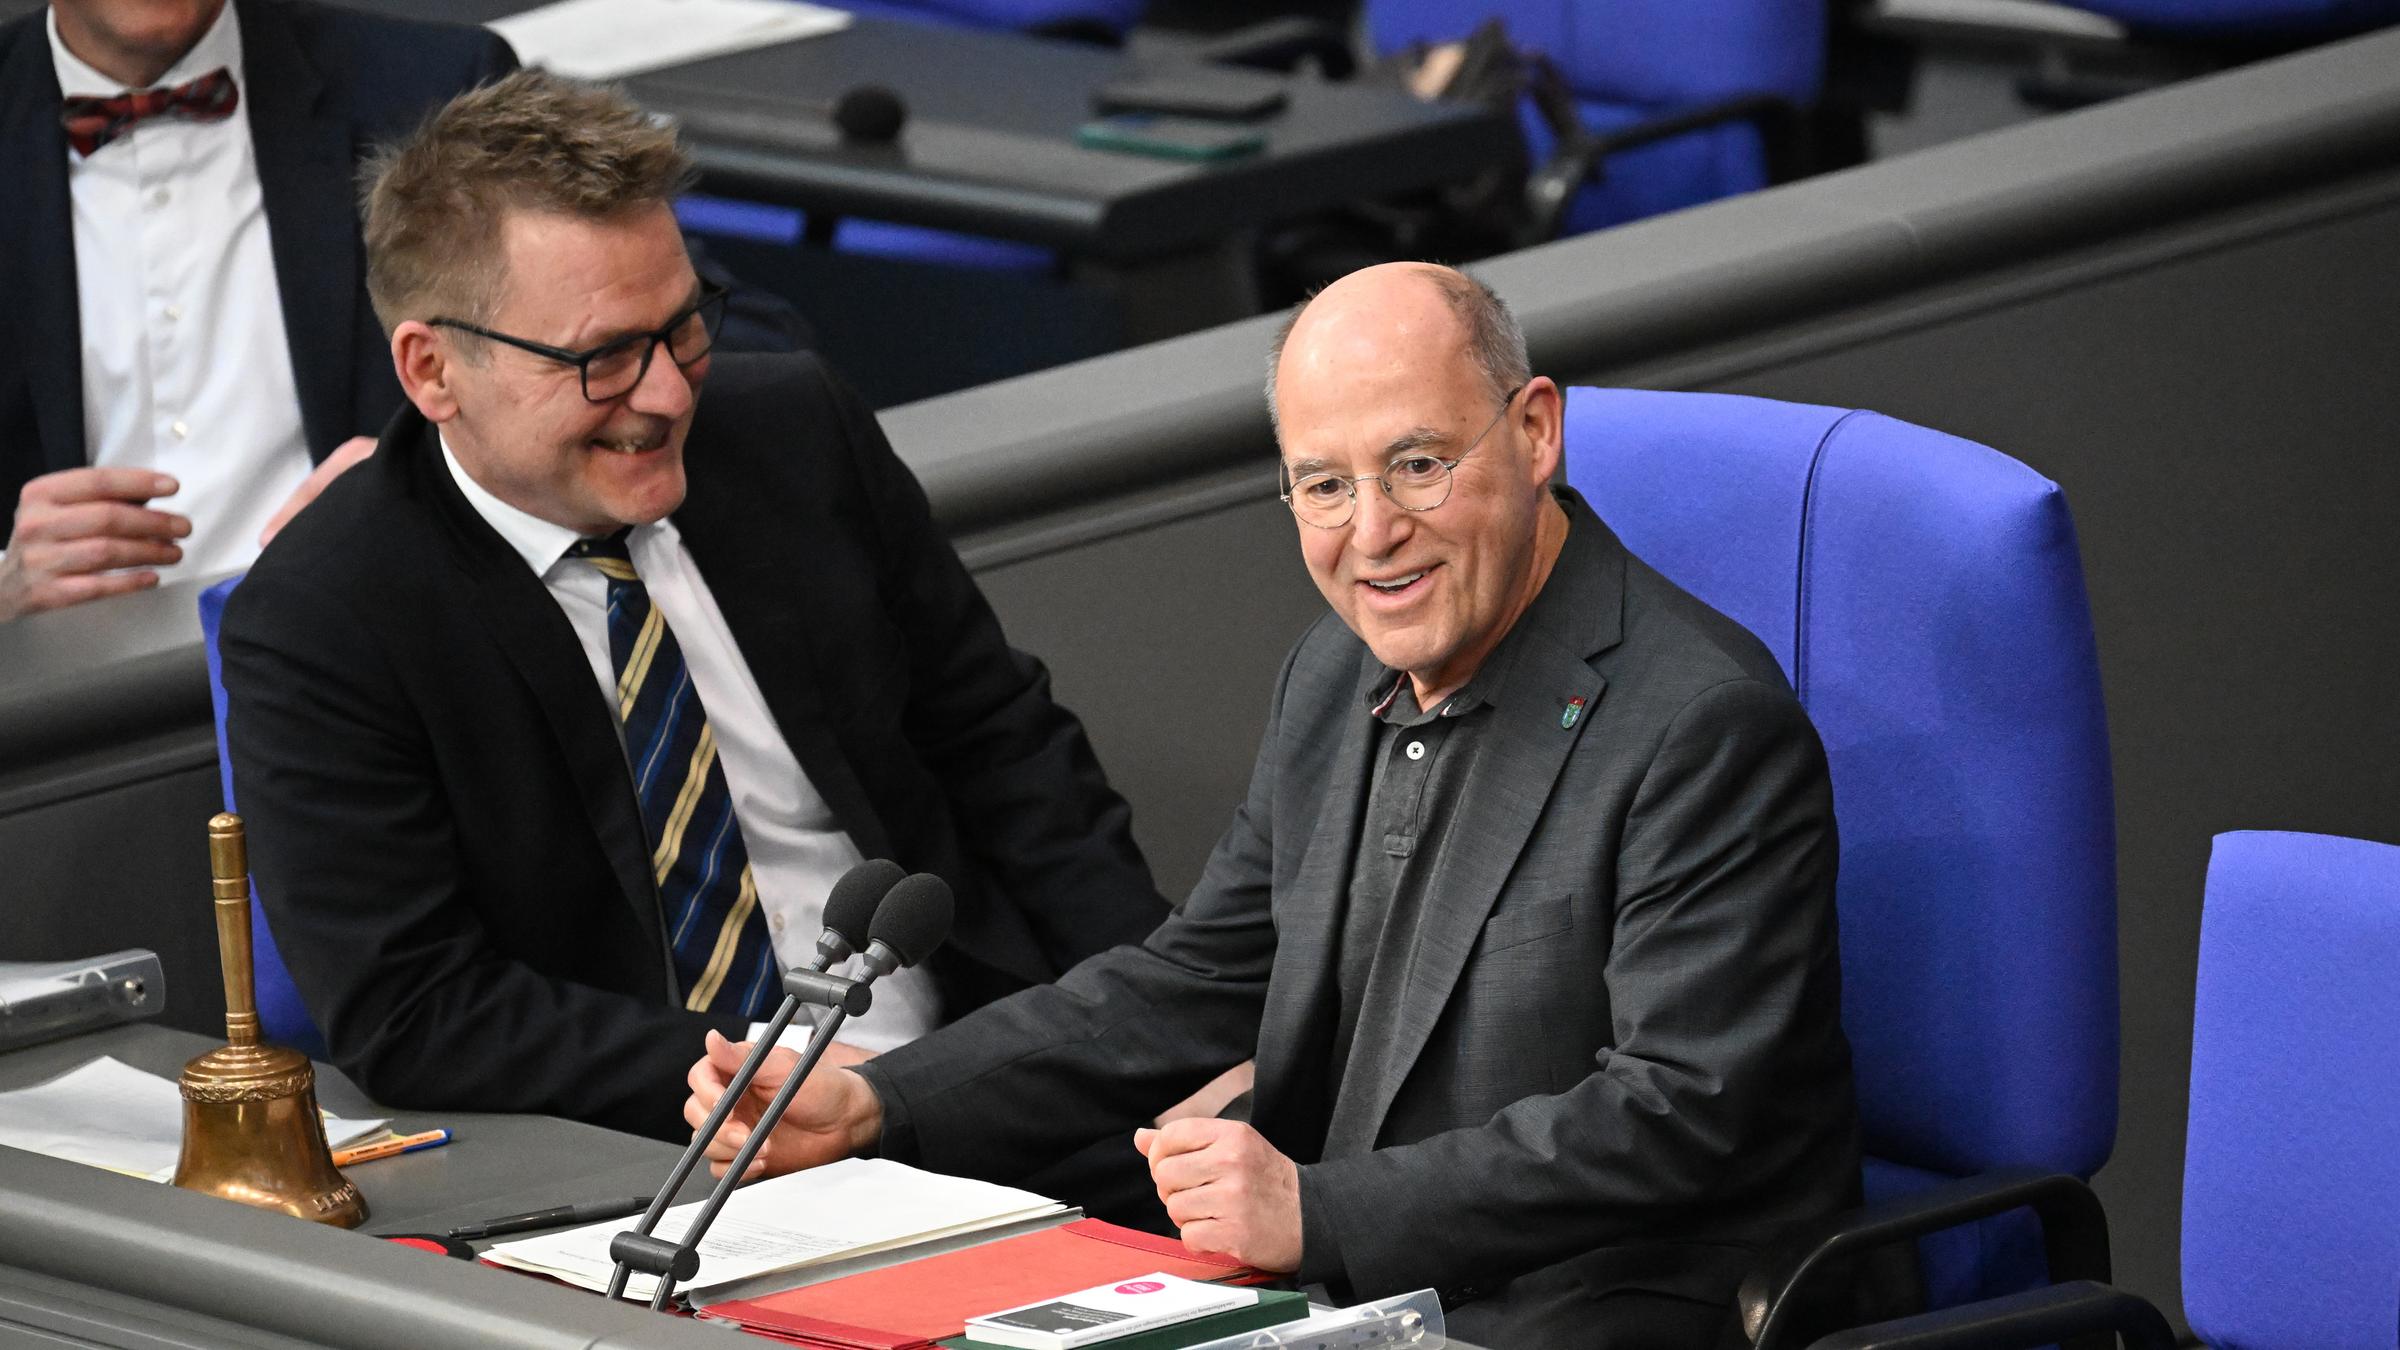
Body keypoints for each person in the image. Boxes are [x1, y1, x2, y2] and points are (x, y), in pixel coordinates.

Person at [687, 263, 1862, 1346]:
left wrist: (1320, 1211)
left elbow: (1673, 1114)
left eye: (1418, 465)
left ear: (1535, 432)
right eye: (1324, 485)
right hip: (1370, 1296)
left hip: (1615, 1304)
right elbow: (1199, 978)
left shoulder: (1702, 724)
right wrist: (876, 1103)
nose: (1374, 535)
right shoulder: (1334, 672)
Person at [217, 72, 1169, 1143]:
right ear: (433, 370)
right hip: (659, 1141)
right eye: (606, 357)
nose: (669, 391)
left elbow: (1007, 751)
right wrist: (778, 1080)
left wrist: (1161, 1018)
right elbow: (417, 1007)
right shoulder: (326, 614)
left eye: (682, 328)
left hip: (977, 1078)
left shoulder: (792, 432)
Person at [0, 0, 803, 623]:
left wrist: (429, 472)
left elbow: (729, 339)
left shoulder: (426, 83)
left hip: (391, 650)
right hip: (57, 717)